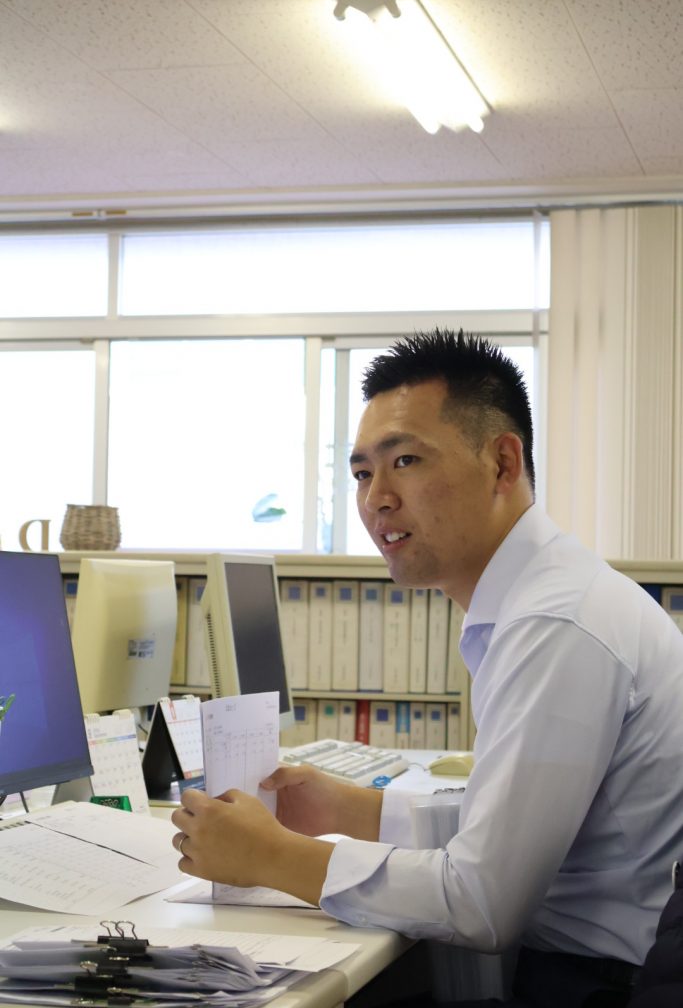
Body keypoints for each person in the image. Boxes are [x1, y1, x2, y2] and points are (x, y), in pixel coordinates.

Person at [171, 328, 683, 1008]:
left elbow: (482, 901)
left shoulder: (556, 624)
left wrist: (272, 857)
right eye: (362, 473)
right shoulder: (542, 598)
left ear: (502, 462)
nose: (376, 498)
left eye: (405, 460)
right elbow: (513, 826)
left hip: (599, 987)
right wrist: (353, 810)